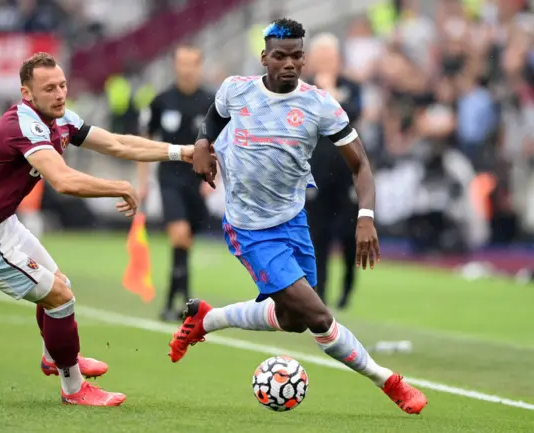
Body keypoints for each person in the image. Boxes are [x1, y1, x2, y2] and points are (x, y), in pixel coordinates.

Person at [167, 19, 427, 415]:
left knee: (293, 320)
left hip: (293, 221)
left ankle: (207, 318)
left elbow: (362, 167)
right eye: (280, 56)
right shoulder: (236, 90)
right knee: (319, 315)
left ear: (304, 58)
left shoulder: (320, 105)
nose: (289, 63)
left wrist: (366, 218)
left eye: (296, 56)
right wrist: (203, 142)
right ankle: (388, 380)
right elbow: (215, 115)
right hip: (250, 229)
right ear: (264, 57)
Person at [0, 52, 194, 407]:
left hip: (1, 225)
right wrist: (119, 186)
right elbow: (62, 180)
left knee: (60, 285)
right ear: (27, 94)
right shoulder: (24, 124)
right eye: (49, 88)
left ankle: (55, 356)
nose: (60, 93)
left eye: (62, 85)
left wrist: (181, 152)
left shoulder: (60, 119)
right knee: (60, 297)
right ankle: (74, 388)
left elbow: (117, 143)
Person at [137, 44, 215, 322]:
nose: (186, 68)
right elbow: (144, 142)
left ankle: (176, 301)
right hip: (170, 177)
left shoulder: (211, 101)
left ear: (199, 64)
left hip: (198, 180)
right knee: (179, 235)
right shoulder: (161, 100)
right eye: (181, 62)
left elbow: (223, 142)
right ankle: (181, 303)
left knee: (185, 242)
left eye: (191, 63)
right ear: (175, 65)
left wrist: (213, 176)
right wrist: (142, 181)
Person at [305, 33, 364, 309]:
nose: (326, 62)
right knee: (318, 236)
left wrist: (330, 91)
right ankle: (321, 295)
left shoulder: (352, 86)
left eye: (330, 56)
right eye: (321, 57)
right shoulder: (303, 89)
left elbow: (350, 115)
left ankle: (348, 285)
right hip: (316, 173)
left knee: (348, 234)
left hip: (346, 173)